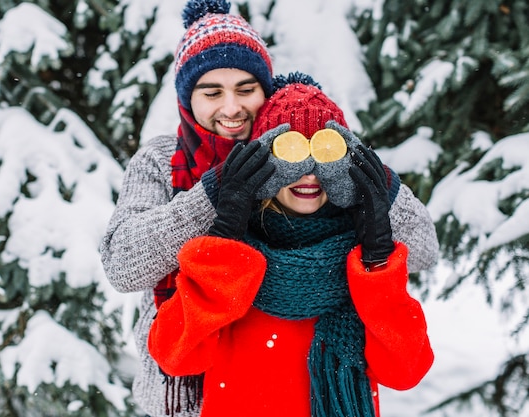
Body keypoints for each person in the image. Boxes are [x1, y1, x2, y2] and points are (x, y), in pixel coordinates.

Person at [99, 0, 438, 414]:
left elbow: (421, 257)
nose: (231, 108)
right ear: (187, 98)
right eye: (211, 92)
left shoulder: (325, 195)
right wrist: (217, 199)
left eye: (246, 89)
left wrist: (380, 195)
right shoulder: (162, 161)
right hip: (182, 393)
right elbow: (123, 265)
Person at [147, 73, 435, 417]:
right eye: (292, 154)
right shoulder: (236, 254)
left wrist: (377, 253)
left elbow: (406, 371)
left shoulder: (362, 261)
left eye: (325, 155)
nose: (309, 174)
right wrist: (224, 238)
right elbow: (175, 356)